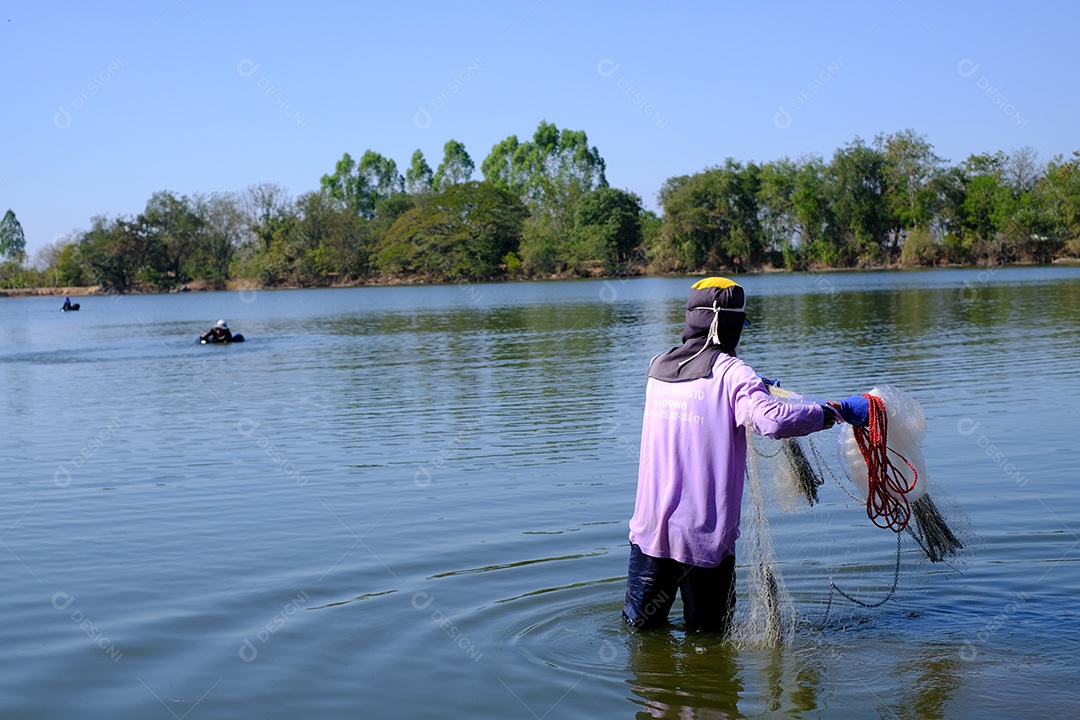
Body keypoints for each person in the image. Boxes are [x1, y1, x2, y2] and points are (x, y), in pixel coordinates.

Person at [623, 277, 869, 635]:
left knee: (641, 633)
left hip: (650, 536)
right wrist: (833, 412)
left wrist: (752, 383)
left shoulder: (657, 368)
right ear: (730, 327)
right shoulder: (734, 374)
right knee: (709, 640)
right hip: (702, 543)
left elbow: (701, 391)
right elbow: (770, 420)